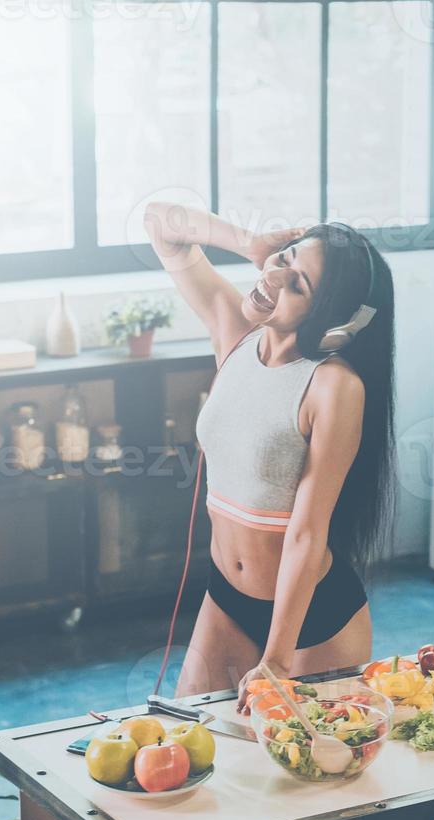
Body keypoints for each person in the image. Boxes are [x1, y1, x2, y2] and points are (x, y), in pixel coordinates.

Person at [144, 203, 396, 709]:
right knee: (195, 749)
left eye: (298, 284)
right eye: (286, 257)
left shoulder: (333, 386)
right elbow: (161, 225)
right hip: (226, 600)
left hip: (312, 618)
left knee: (305, 778)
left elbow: (306, 532)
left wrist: (277, 661)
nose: (276, 277)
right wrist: (253, 243)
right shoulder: (234, 336)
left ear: (333, 322)